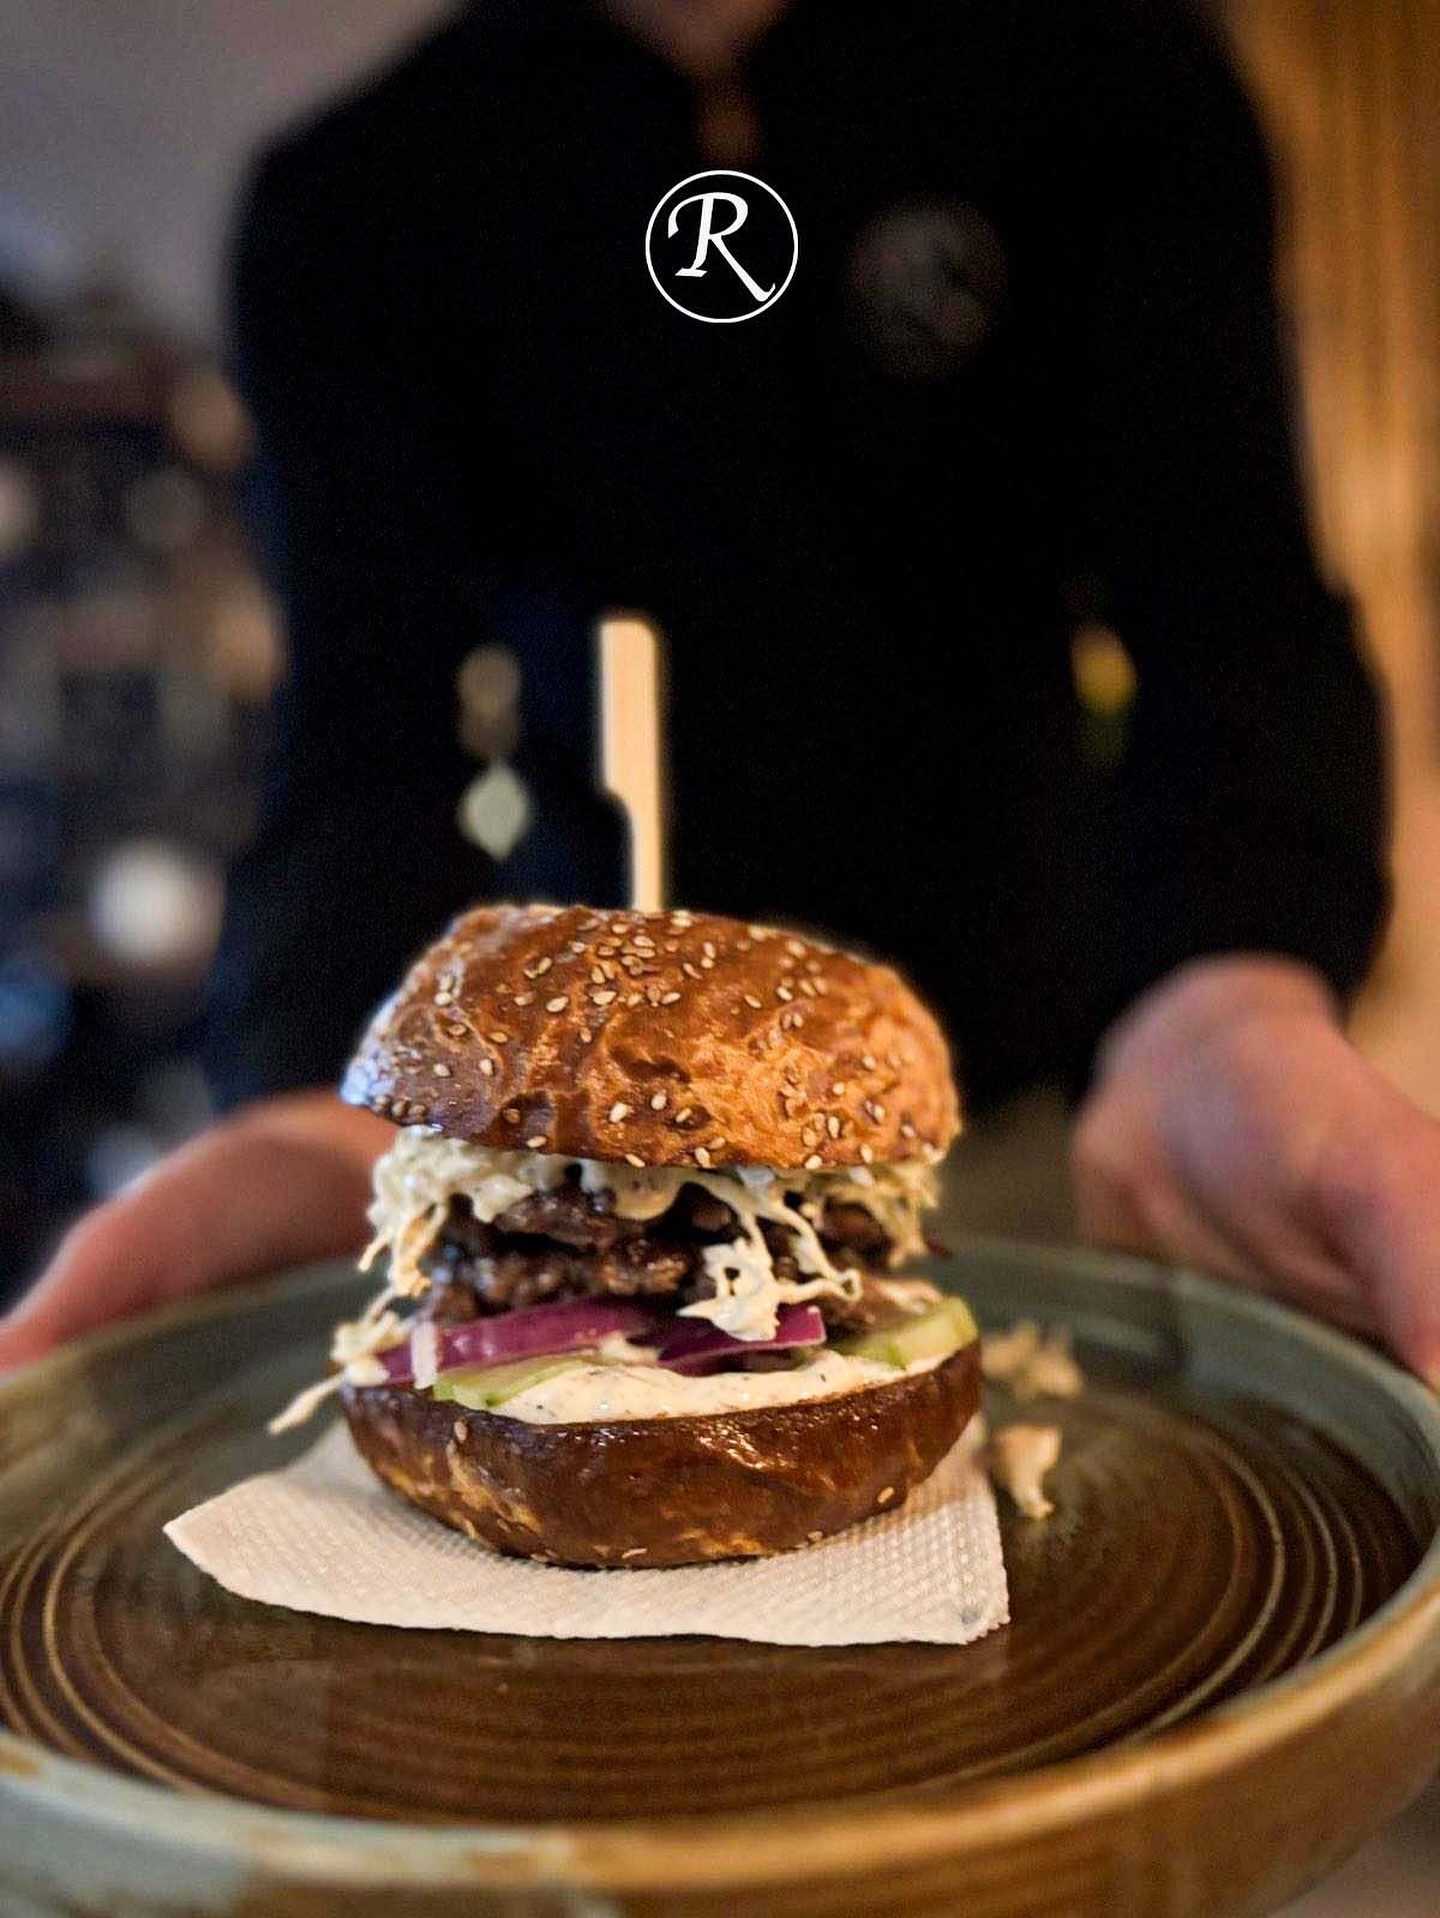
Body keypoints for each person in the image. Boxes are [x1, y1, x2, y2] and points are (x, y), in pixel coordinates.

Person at [5, 0, 1440, 1381]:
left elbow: (1235, 605)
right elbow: (364, 742)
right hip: (571, 1132)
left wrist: (1230, 992)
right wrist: (322, 1092)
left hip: (1062, 1112)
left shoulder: (1112, 75)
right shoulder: (360, 196)